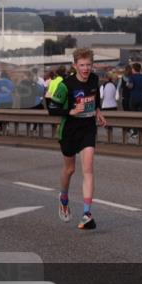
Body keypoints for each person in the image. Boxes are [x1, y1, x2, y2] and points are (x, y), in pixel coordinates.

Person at [46, 48, 107, 230]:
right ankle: (63, 197)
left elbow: (94, 99)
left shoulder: (95, 79)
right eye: (82, 65)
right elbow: (52, 108)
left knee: (88, 168)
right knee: (70, 169)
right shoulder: (66, 85)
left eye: (88, 65)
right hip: (69, 131)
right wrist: (70, 111)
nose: (86, 68)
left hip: (87, 129)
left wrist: (98, 112)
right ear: (75, 65)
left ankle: (87, 213)